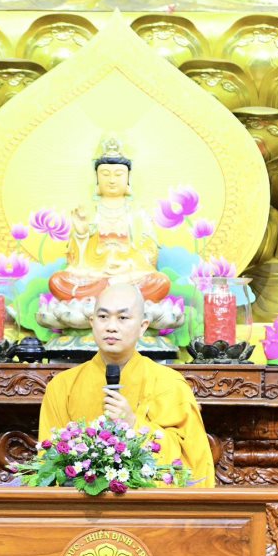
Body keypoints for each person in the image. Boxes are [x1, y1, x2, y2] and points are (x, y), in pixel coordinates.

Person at [39, 283, 215, 486]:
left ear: (143, 327)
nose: (111, 327)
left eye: (123, 318)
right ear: (92, 322)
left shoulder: (170, 384)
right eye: (103, 317)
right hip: (81, 501)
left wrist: (134, 425)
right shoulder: (62, 387)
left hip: (150, 503)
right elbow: (48, 463)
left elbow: (193, 461)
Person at [48, 139, 172, 303]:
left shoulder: (138, 215)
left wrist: (128, 265)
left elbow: (150, 254)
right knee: (57, 281)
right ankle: (112, 291)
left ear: (128, 179)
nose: (112, 180)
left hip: (128, 275)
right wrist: (81, 235)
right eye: (105, 174)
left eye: (118, 174)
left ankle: (105, 293)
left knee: (160, 282)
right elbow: (75, 261)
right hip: (94, 274)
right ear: (97, 179)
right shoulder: (89, 214)